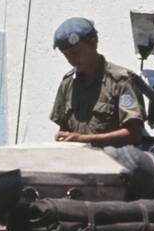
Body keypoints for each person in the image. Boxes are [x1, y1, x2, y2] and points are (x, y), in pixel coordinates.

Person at [49, 17, 144, 146]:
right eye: (66, 55)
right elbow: (64, 130)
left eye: (76, 52)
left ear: (93, 42)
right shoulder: (68, 83)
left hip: (113, 162)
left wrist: (85, 140)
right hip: (76, 162)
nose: (72, 59)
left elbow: (134, 134)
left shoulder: (120, 81)